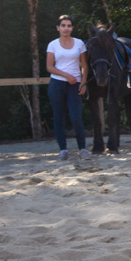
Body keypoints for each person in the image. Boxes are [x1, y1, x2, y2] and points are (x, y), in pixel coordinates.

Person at [46, 15, 90, 161]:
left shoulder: (79, 44)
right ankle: (63, 149)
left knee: (76, 116)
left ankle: (82, 148)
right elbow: (49, 67)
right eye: (63, 25)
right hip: (57, 84)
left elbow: (84, 65)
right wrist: (66, 75)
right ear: (58, 28)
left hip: (75, 85)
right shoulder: (52, 45)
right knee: (58, 117)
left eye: (69, 25)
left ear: (72, 28)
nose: (66, 28)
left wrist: (83, 82)